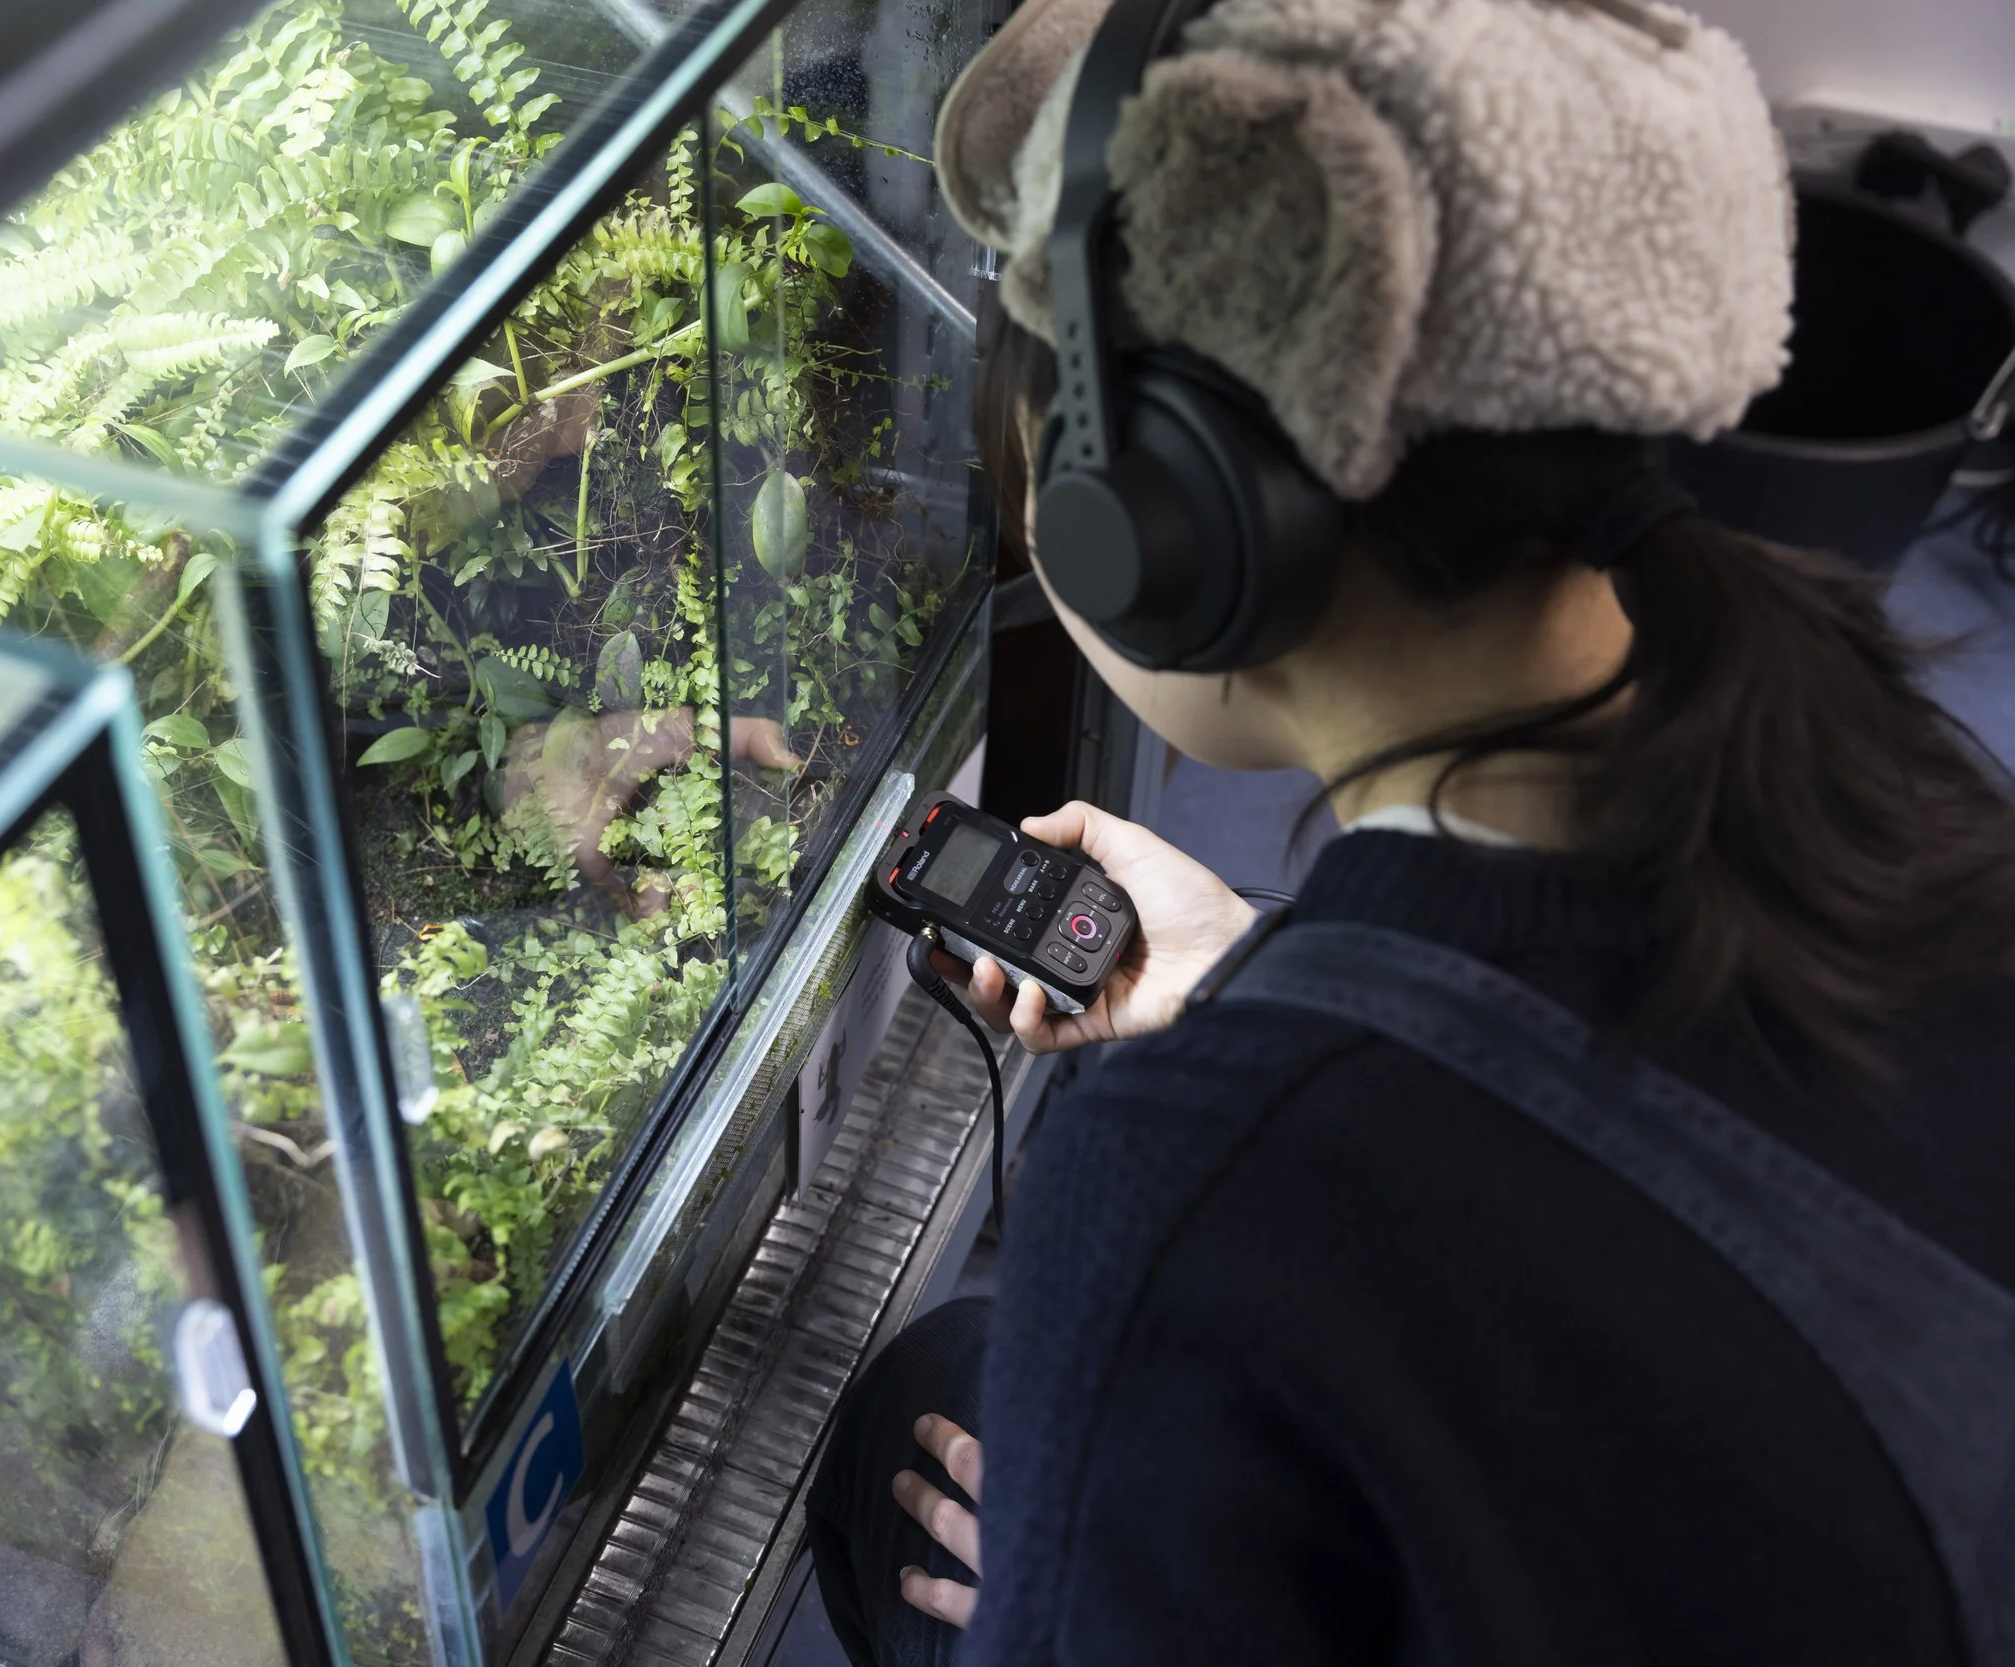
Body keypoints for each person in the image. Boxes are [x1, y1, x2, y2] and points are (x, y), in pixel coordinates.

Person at [804, 0, 2015, 1663]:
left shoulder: (1171, 1187)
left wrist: (1074, 1560)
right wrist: (1278, 989)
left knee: (918, 1444)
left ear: (1165, 525)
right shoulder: (1892, 767)